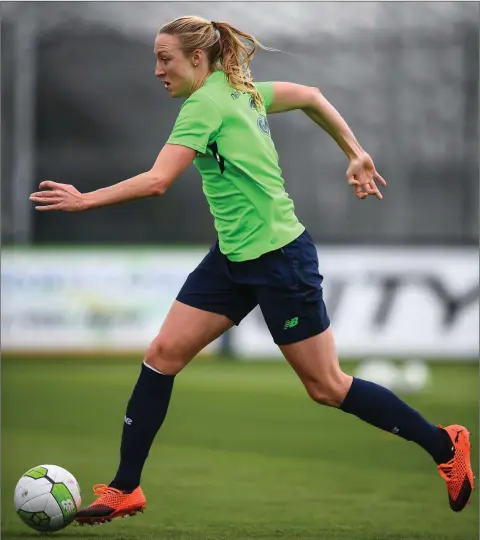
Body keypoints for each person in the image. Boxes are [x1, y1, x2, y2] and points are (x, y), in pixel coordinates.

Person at [30, 16, 473, 525]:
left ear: (197, 59)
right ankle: (125, 487)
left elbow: (158, 181)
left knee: (327, 386)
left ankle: (445, 444)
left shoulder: (206, 104)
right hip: (233, 258)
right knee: (162, 355)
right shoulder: (241, 90)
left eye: (165, 58)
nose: (157, 70)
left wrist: (85, 200)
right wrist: (355, 152)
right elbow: (310, 95)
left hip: (279, 259)